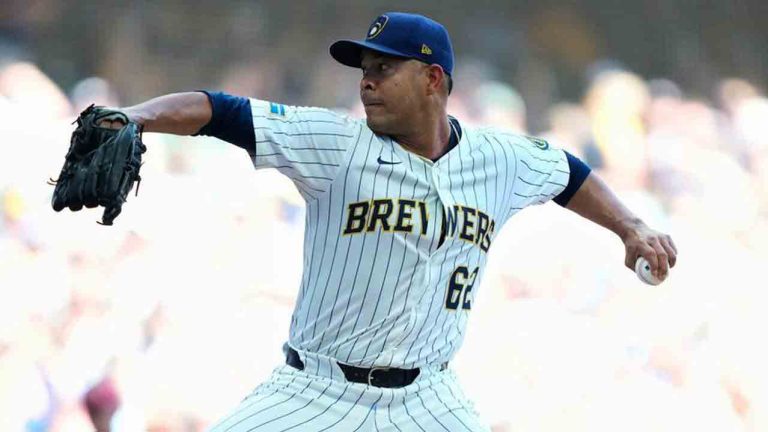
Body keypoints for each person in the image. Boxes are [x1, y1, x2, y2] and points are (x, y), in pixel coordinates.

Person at [99, 12, 677, 431]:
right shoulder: (334, 143)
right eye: (364, 68)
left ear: (433, 81)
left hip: (429, 398)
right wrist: (135, 116)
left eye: (384, 67)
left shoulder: (498, 159)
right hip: (314, 392)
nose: (366, 79)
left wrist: (630, 227)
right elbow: (221, 110)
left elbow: (567, 172)